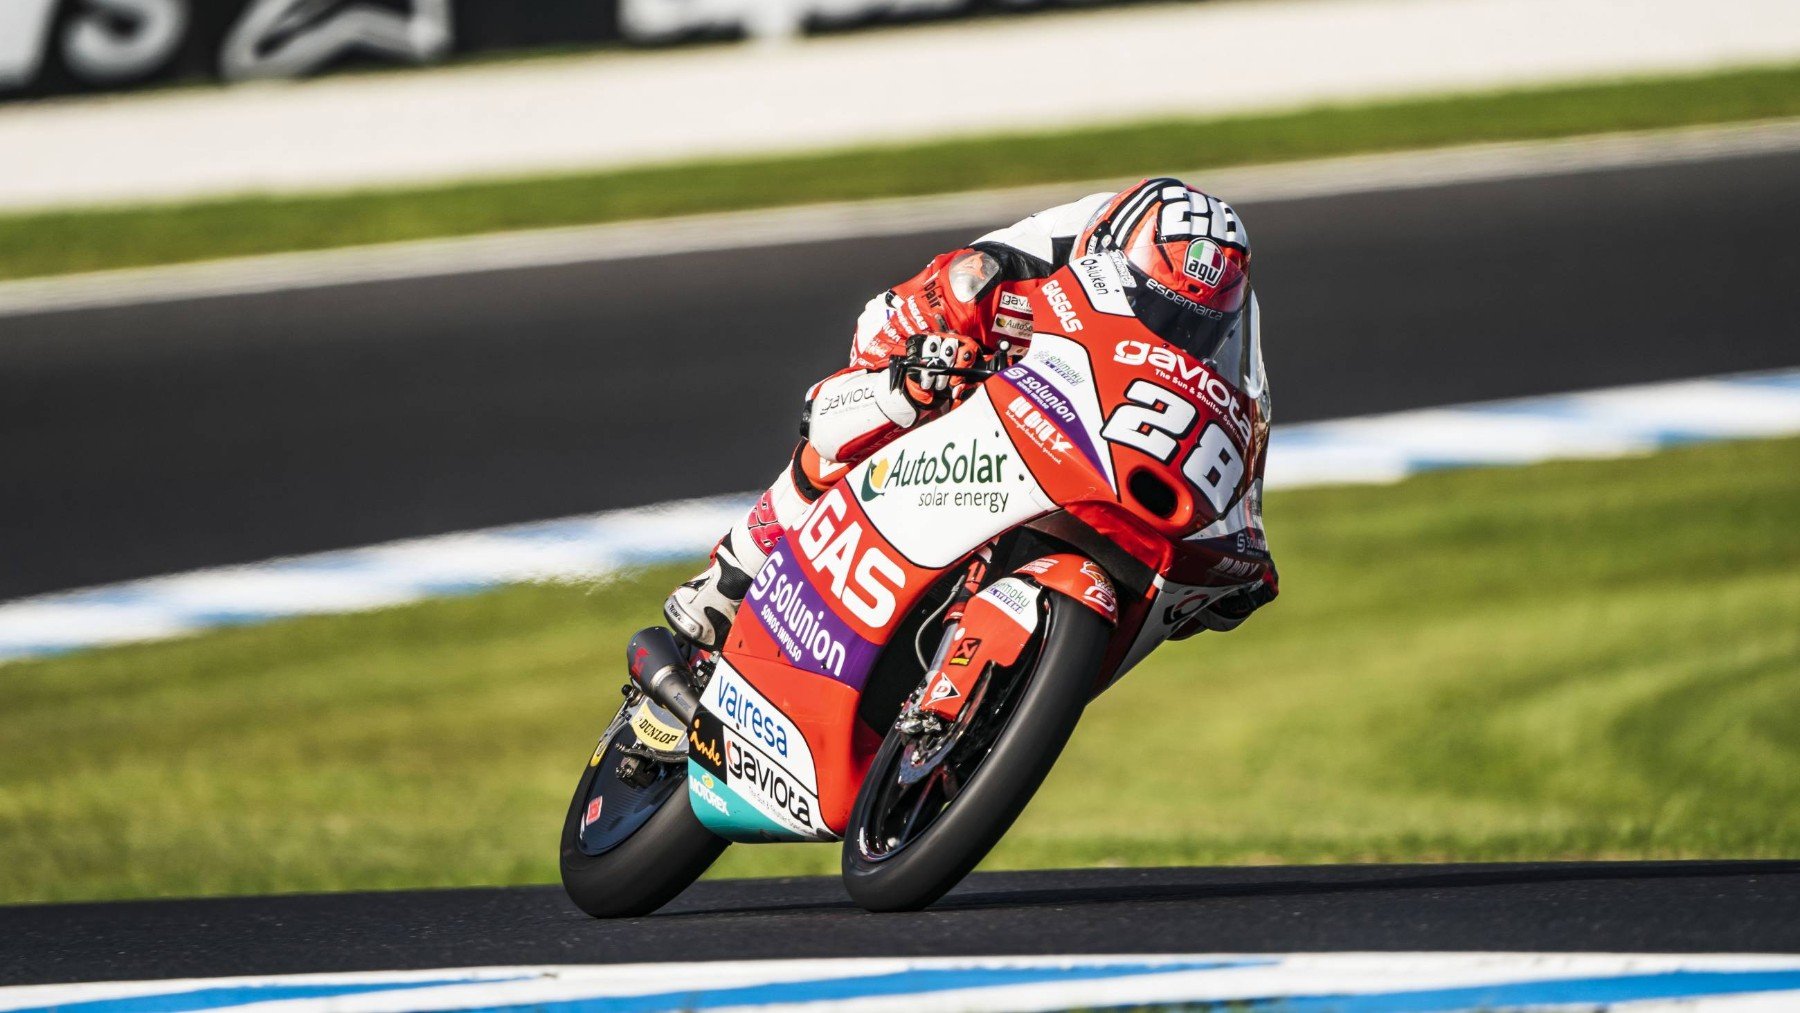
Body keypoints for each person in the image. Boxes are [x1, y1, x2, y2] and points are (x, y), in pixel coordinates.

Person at [664, 177, 1277, 650]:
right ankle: (734, 574)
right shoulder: (1005, 268)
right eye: (1155, 311)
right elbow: (862, 357)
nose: (1171, 335)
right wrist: (910, 372)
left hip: (1090, 446)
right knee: (883, 408)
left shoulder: (1227, 347)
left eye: (1191, 326)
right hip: (985, 383)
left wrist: (1240, 560)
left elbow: (1239, 462)